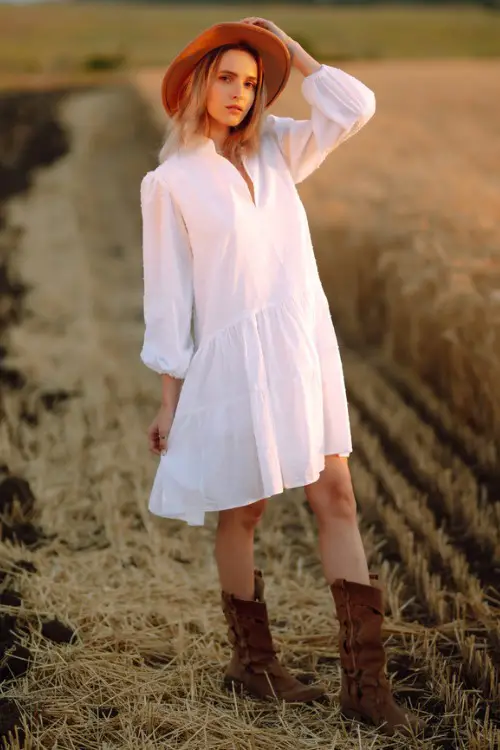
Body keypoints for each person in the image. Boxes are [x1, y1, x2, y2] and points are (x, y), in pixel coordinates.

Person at [139, 18, 426, 737]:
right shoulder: (169, 183)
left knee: (336, 494)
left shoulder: (276, 150)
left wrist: (294, 53)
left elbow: (354, 107)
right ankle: (254, 663)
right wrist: (169, 399)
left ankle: (366, 685)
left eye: (252, 80)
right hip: (234, 362)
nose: (240, 93)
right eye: (228, 78)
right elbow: (168, 301)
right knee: (244, 510)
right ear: (201, 84)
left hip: (300, 346)